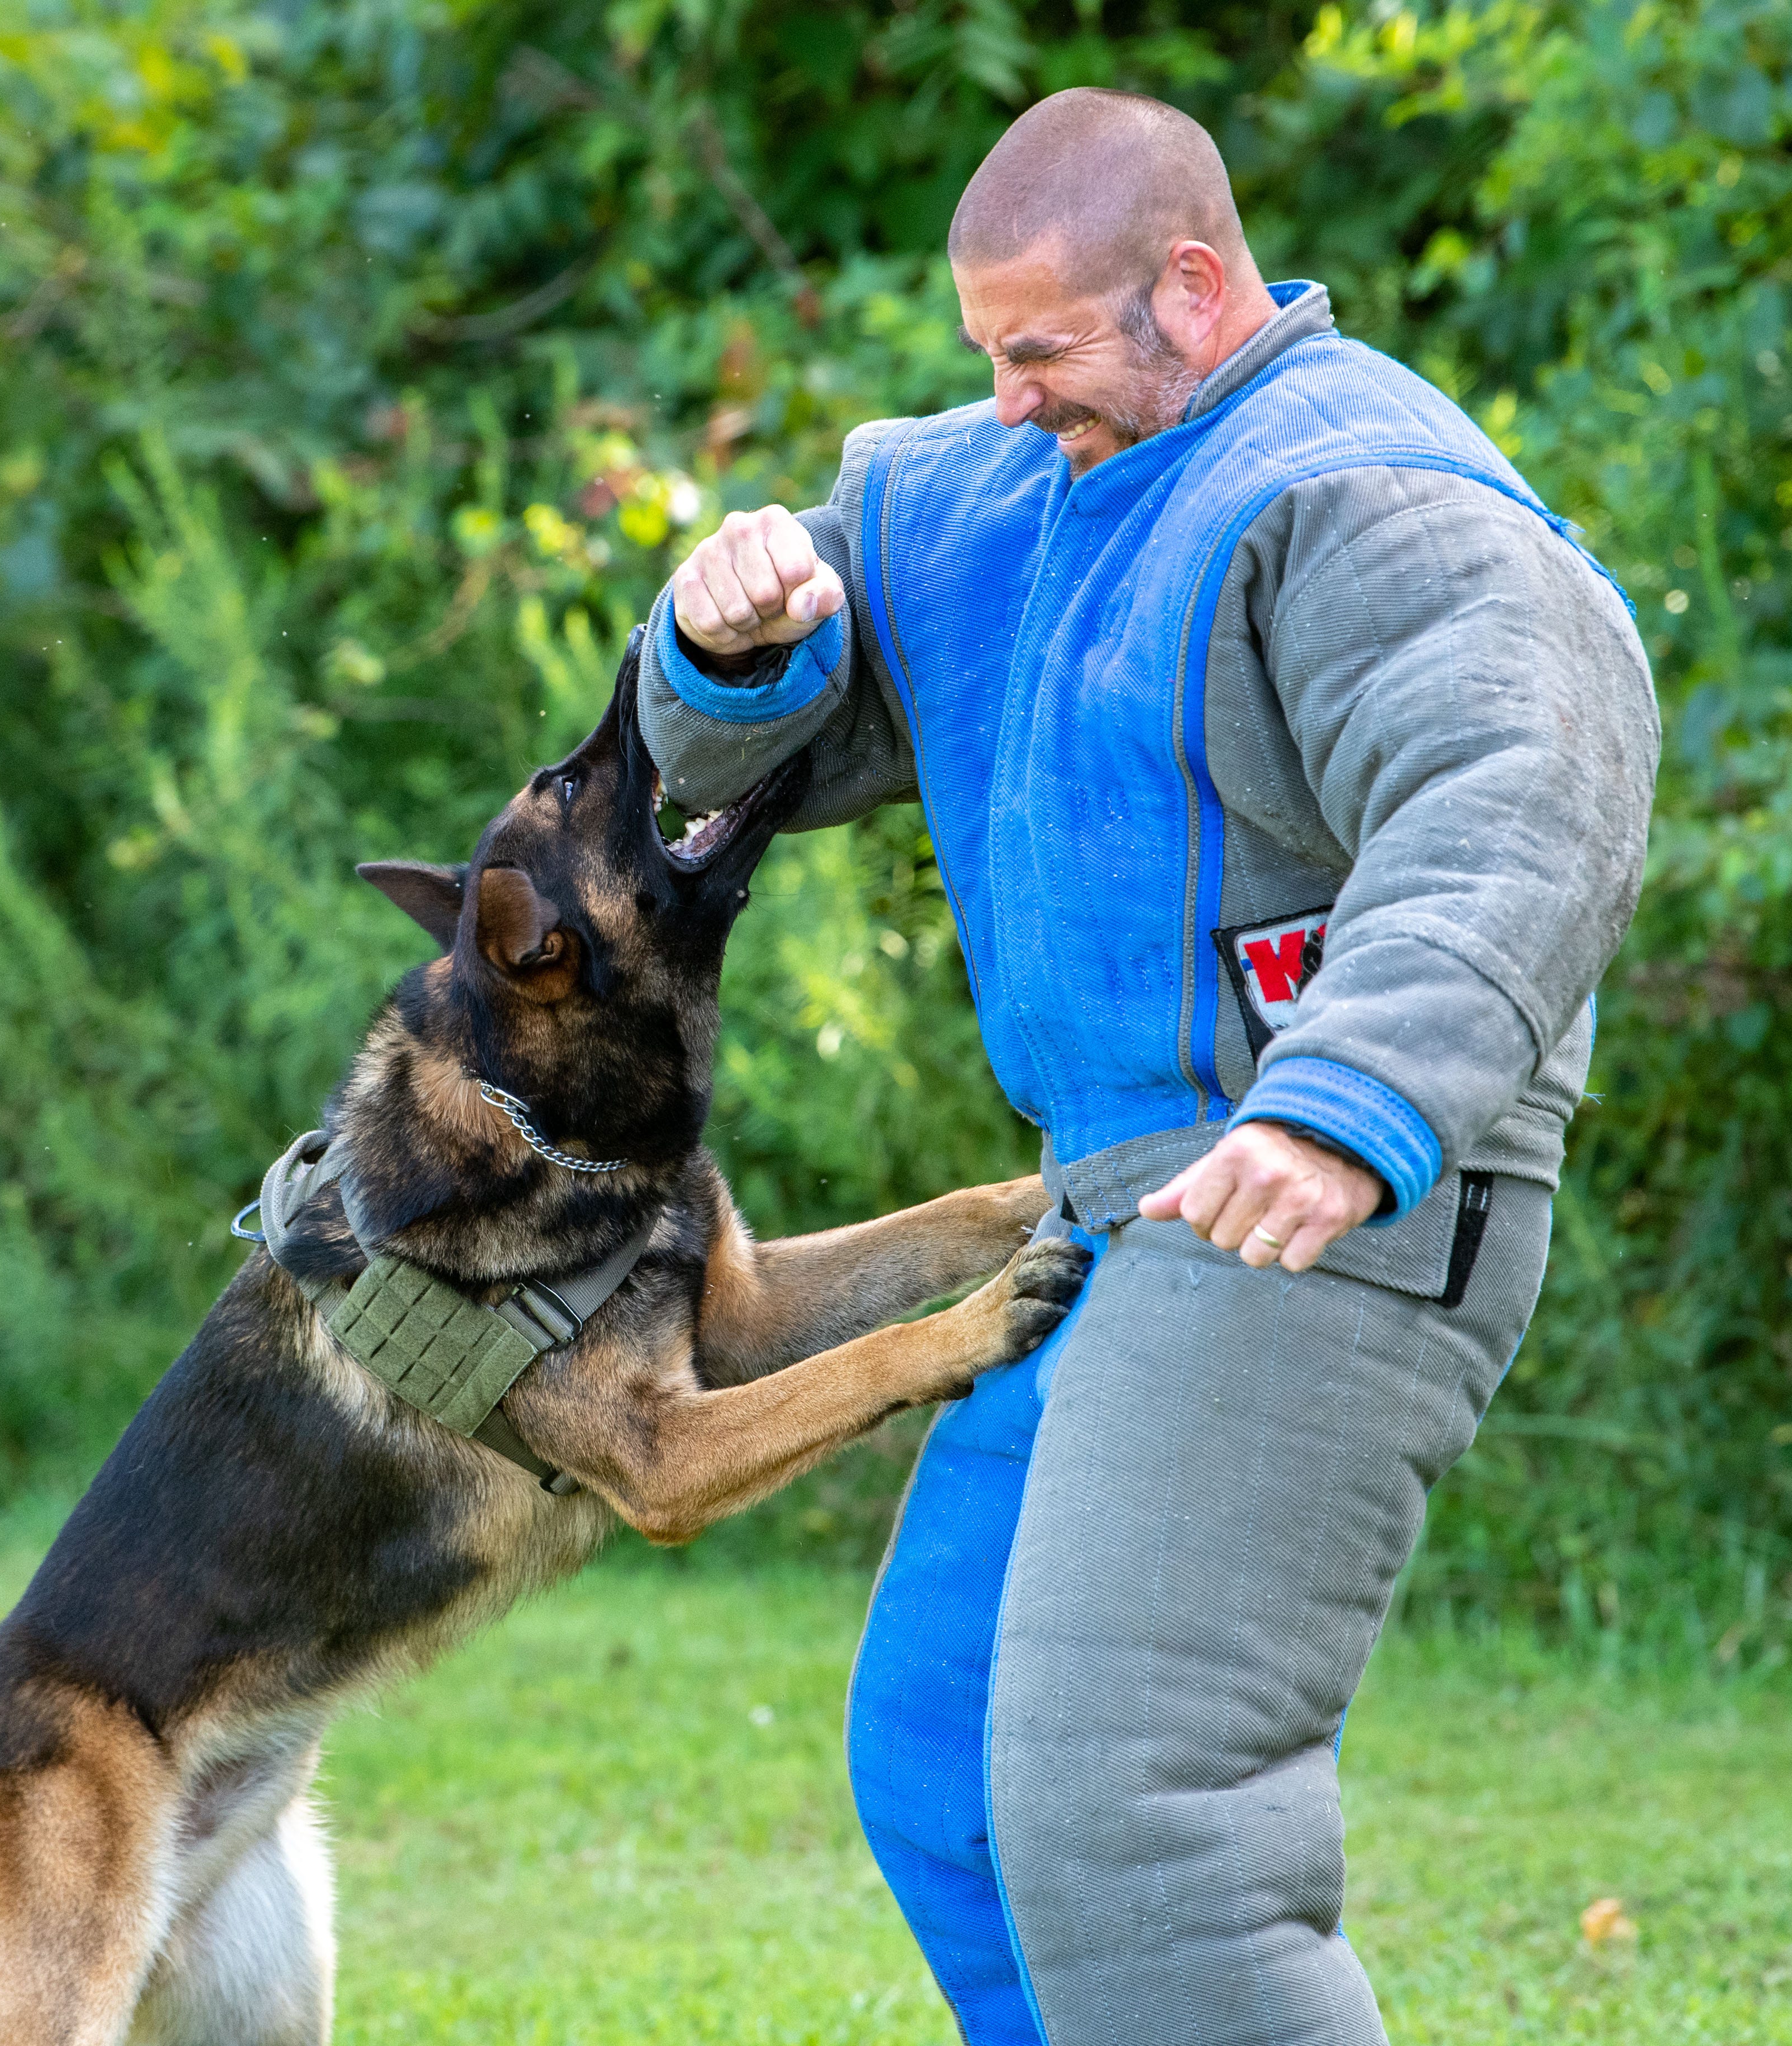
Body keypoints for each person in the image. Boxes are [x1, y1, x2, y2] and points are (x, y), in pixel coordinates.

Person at [640, 87, 1657, 2046]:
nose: (1008, 398)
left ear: (1191, 291)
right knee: (940, 1764)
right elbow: (743, 741)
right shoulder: (973, 498)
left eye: (1039, 351)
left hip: (1322, 1192)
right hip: (1107, 1207)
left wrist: (1347, 1102)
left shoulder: (1362, 489)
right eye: (982, 357)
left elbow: (1523, 791)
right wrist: (720, 633)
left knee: (1137, 1812)